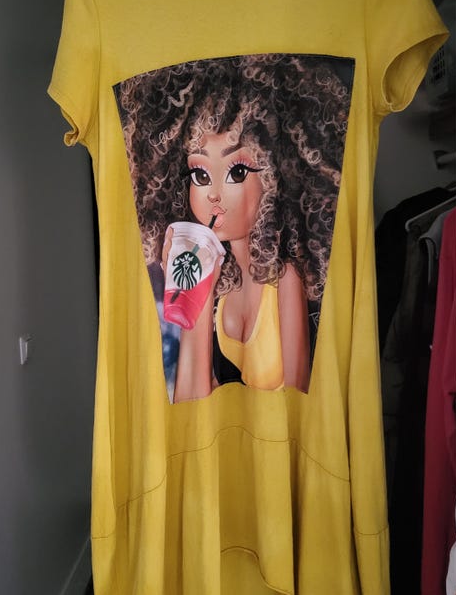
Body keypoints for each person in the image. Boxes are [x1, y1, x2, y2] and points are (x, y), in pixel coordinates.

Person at [115, 53, 351, 403]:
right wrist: (196, 287)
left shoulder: (286, 278)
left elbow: (297, 403)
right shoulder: (222, 287)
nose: (213, 194)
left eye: (237, 172)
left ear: (274, 177)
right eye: (200, 174)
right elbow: (190, 403)